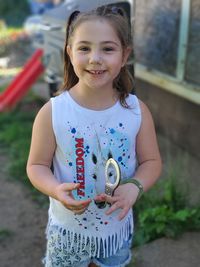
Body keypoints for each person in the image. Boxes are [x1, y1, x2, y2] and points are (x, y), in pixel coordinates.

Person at [26, 5, 162, 267]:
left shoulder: (136, 111)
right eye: (84, 48)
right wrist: (54, 188)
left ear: (124, 56)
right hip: (68, 233)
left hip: (115, 231)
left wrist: (134, 186)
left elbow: (152, 162)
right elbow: (36, 166)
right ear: (69, 52)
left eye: (108, 49)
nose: (95, 58)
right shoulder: (52, 112)